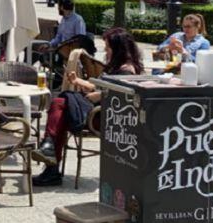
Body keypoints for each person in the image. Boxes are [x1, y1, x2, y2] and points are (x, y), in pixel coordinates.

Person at [33, 28, 144, 186]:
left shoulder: (127, 70)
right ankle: (50, 159)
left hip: (103, 116)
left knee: (62, 101)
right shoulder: (117, 65)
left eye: (108, 46)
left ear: (118, 48)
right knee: (61, 107)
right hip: (94, 109)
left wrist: (99, 96)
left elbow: (120, 96)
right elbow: (97, 86)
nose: (105, 49)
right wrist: (77, 81)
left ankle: (50, 157)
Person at [32, 0, 88, 64]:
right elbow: (58, 37)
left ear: (62, 7)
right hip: (61, 50)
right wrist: (49, 44)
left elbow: (80, 39)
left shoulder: (78, 20)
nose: (57, 9)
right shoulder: (63, 19)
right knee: (40, 55)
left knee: (53, 59)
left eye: (58, 7)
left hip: (72, 53)